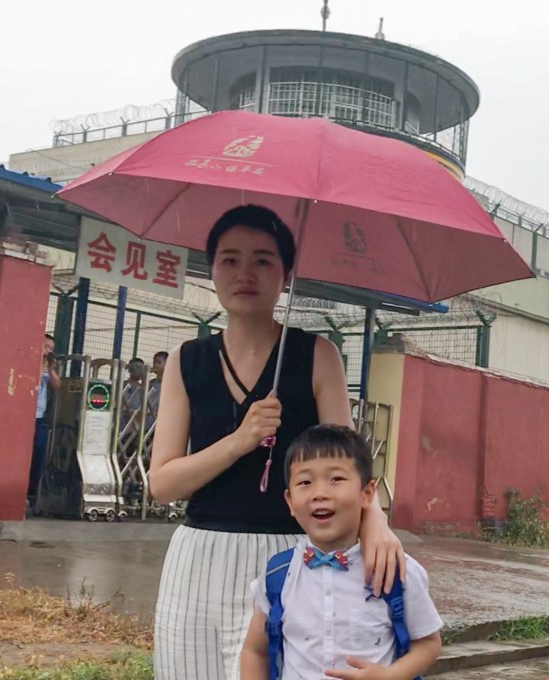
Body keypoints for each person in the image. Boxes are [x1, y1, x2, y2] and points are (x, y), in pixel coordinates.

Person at [149, 205, 405, 680]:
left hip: (294, 557)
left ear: (286, 274)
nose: (245, 272)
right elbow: (162, 484)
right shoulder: (188, 360)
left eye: (263, 260)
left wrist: (378, 525)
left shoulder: (316, 356)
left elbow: (349, 468)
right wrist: (241, 440)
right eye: (229, 259)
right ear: (212, 271)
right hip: (199, 559)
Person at [241, 425, 442, 680]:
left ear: (367, 494)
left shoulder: (396, 570)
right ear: (290, 502)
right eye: (305, 482)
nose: (320, 494)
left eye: (336, 479)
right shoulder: (278, 576)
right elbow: (255, 651)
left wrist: (391, 676)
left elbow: (428, 643)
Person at [28, 333, 60, 507]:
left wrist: (51, 368)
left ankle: (33, 491)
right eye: (45, 346)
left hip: (40, 417)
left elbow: (57, 386)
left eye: (51, 348)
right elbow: (34, 381)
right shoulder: (31, 363)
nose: (48, 351)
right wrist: (42, 365)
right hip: (28, 416)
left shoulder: (47, 368)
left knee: (39, 454)